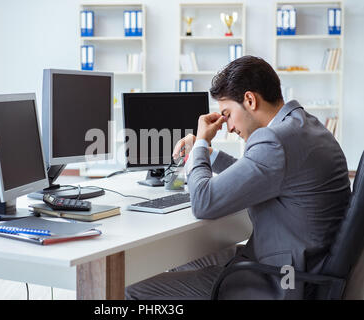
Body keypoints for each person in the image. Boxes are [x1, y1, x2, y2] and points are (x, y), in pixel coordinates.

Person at [125, 55, 351, 300]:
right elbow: (258, 173)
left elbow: (203, 202)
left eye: (227, 113)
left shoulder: (274, 141)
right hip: (307, 268)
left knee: (129, 290)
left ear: (250, 100)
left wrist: (201, 142)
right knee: (190, 254)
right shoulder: (304, 126)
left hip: (282, 282)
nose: (229, 127)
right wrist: (208, 155)